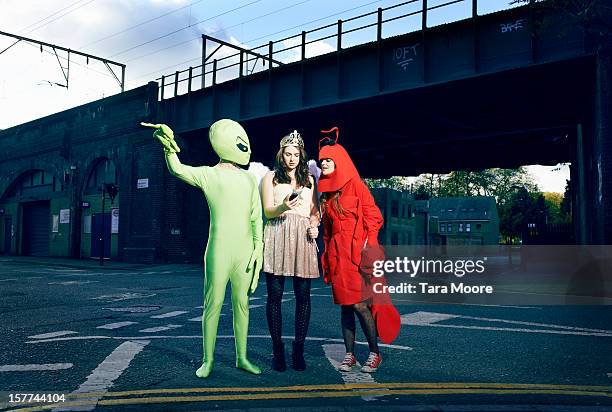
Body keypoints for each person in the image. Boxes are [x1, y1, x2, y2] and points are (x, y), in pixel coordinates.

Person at [142, 120, 263, 379]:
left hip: (243, 251)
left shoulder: (250, 179)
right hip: (219, 249)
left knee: (242, 304)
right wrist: (169, 147)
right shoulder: (209, 174)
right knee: (213, 304)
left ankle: (242, 357)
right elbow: (178, 169)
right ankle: (208, 360)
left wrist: (259, 249)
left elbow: (256, 218)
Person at [318, 127, 399, 374]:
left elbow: (375, 217)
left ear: (340, 161)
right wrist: (327, 260)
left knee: (360, 305)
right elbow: (328, 232)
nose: (324, 166)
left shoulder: (357, 186)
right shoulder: (327, 195)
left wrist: (369, 243)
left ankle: (375, 353)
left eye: (328, 161)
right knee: (345, 307)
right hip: (337, 257)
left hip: (357, 258)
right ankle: (350, 355)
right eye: (321, 162)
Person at [260, 130, 320, 372]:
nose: (292, 158)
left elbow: (314, 212)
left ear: (301, 155)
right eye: (288, 154)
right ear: (281, 155)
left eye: (296, 154)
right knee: (275, 296)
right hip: (277, 233)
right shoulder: (270, 178)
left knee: (303, 296)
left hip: (303, 238)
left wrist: (315, 226)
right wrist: (283, 205)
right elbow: (267, 211)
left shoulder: (309, 179)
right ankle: (277, 351)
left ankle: (298, 350)